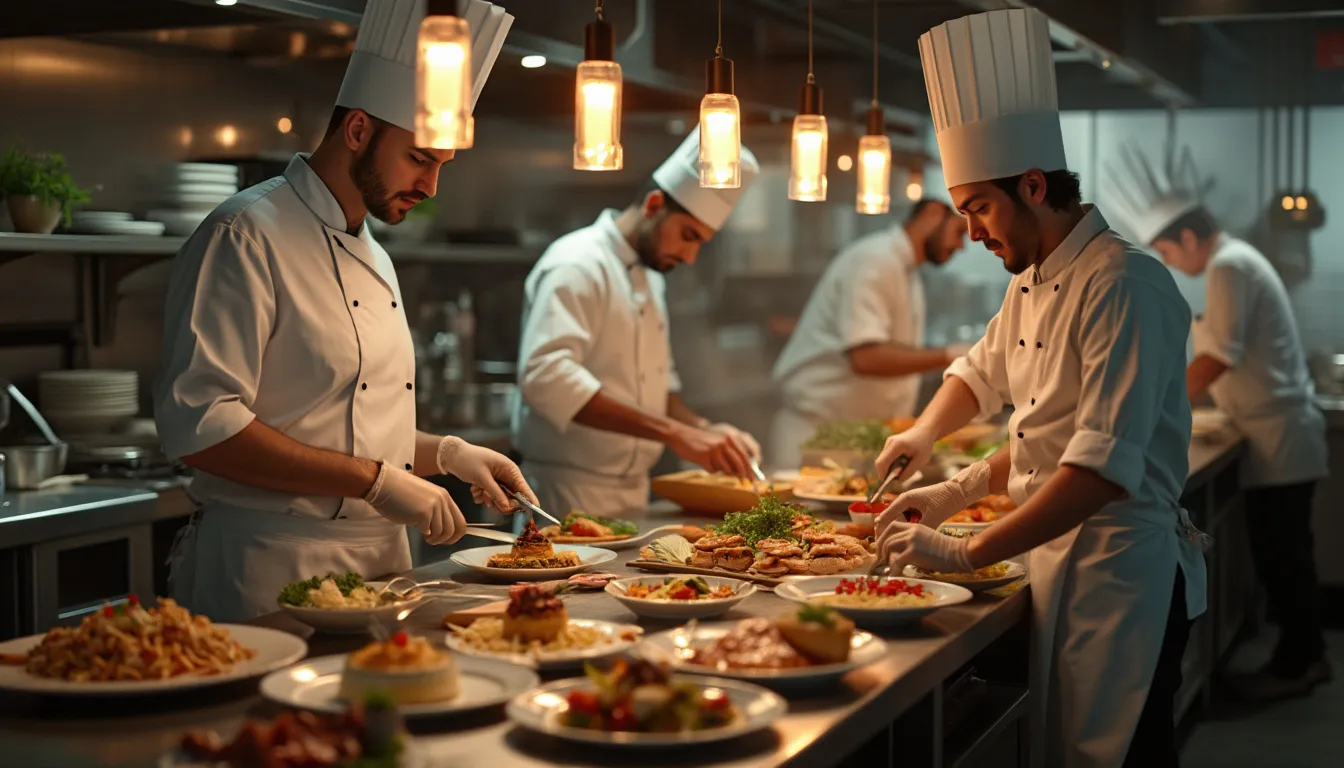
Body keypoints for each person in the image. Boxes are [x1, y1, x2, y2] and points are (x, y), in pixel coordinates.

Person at [872, 8, 1208, 767]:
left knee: (1118, 755)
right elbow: (990, 383)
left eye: (980, 209)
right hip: (1055, 560)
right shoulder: (1031, 279)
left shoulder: (1124, 283)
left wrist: (965, 553)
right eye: (962, 214)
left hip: (1122, 580)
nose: (972, 232)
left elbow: (1096, 472)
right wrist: (938, 461)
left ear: (1032, 185)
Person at [155, 0, 535, 623]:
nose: (432, 186)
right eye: (419, 158)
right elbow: (203, 427)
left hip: (385, 570)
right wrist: (376, 481)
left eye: (442, 165)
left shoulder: (377, 257)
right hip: (269, 570)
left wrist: (444, 454)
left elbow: (338, 419)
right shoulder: (246, 234)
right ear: (357, 130)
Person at [1116, 166, 1330, 699]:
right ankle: (1303, 657)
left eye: (1169, 250)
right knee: (1283, 553)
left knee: (1285, 556)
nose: (1171, 262)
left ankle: (1300, 663)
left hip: (1280, 436)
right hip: (1273, 434)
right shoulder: (1235, 262)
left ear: (1190, 236)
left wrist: (1151, 411)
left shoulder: (1229, 265)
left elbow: (1216, 358)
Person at [510, 128, 761, 517]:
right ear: (654, 204)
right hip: (566, 495)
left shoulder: (649, 277)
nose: (691, 257)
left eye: (700, 243)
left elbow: (656, 388)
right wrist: (678, 435)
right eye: (688, 236)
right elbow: (547, 377)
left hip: (632, 495)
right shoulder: (577, 263)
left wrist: (707, 429)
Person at [769, 198, 971, 468]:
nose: (961, 245)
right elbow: (866, 357)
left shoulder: (905, 270)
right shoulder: (876, 260)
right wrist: (950, 354)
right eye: (959, 231)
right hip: (818, 439)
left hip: (858, 441)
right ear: (933, 213)